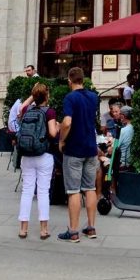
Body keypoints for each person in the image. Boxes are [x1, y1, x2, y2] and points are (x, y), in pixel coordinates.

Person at [57, 66, 99, 242]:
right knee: (90, 188)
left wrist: (61, 140)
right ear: (84, 79)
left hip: (74, 149)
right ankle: (90, 227)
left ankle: (73, 231)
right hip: (91, 148)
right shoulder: (93, 97)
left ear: (69, 80)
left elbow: (67, 122)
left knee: (73, 190)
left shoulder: (70, 98)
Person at [17, 82, 58, 240]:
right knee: (42, 192)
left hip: (27, 155)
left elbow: (21, 108)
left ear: (34, 96)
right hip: (44, 155)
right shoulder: (49, 112)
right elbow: (53, 133)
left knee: (27, 191)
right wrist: (58, 127)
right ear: (47, 95)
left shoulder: (28, 110)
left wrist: (33, 96)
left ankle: (23, 228)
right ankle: (43, 230)